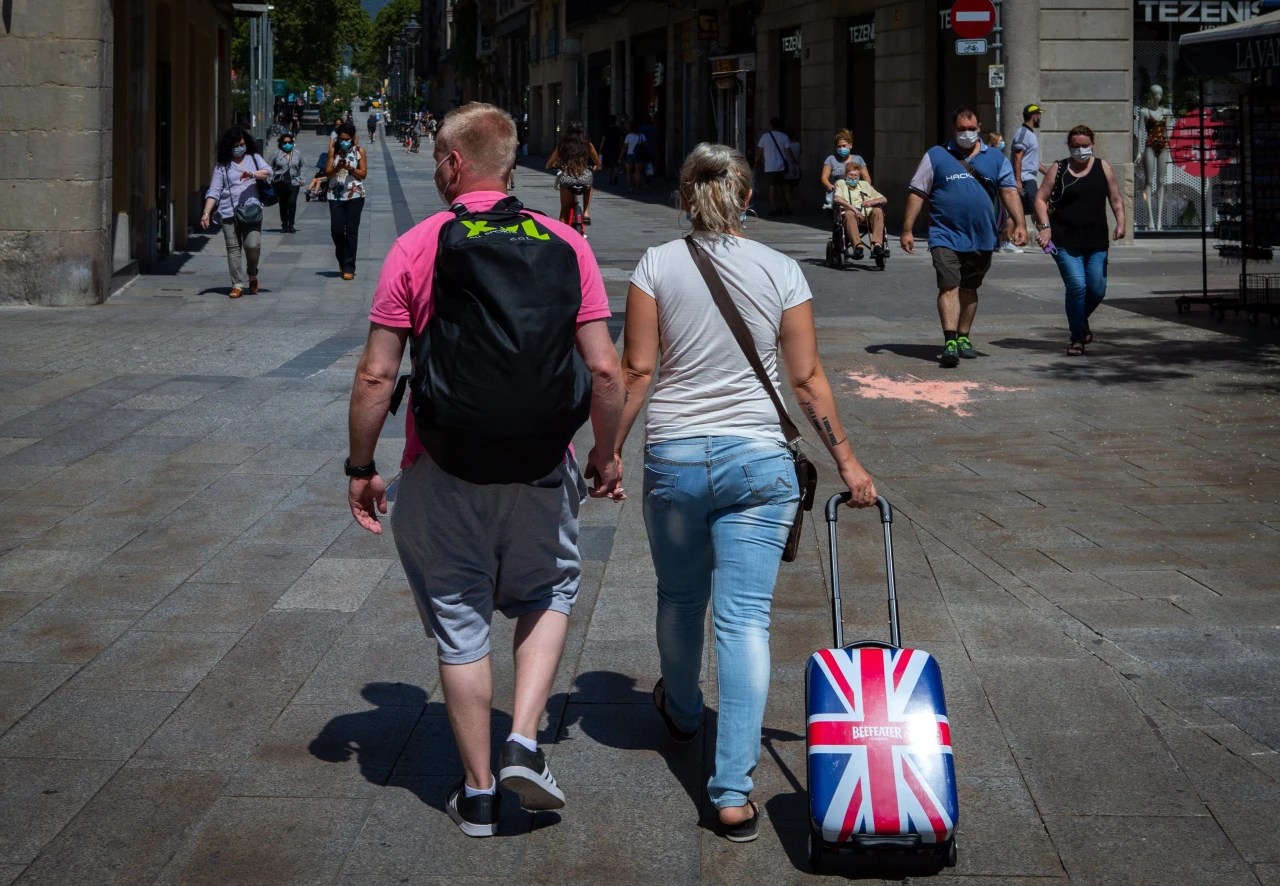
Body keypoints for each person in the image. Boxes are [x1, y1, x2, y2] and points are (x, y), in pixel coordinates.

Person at [345, 102, 624, 838]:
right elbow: (604, 370)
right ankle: (524, 738)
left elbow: (377, 375)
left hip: (442, 464)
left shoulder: (416, 245)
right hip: (542, 464)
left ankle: (476, 793)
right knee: (551, 588)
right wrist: (606, 453)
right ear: (507, 164)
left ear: (452, 163)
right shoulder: (566, 242)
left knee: (459, 617)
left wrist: (361, 465)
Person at [613, 142, 878, 844]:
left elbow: (636, 370)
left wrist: (606, 451)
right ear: (748, 198)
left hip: (675, 457)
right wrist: (847, 462)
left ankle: (683, 712)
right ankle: (731, 794)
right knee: (745, 621)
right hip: (760, 462)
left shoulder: (655, 264)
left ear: (684, 198)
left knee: (679, 598)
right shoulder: (782, 269)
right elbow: (807, 379)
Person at [900, 105, 1026, 368]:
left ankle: (963, 337)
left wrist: (1020, 223)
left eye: (971, 128)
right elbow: (917, 192)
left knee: (970, 288)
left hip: (982, 235)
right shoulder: (936, 155)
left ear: (979, 128)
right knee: (949, 284)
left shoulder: (995, 158)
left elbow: (1009, 192)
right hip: (944, 234)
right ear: (953, 129)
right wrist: (907, 229)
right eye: (961, 129)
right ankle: (950, 342)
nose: (966, 133)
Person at [1033, 124, 1126, 356]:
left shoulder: (1103, 167)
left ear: (1092, 144)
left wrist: (1121, 222)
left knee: (1096, 289)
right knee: (1076, 286)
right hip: (1063, 240)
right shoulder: (1059, 168)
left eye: (1085, 146)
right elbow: (1040, 199)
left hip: (1096, 240)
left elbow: (1115, 198)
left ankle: (1080, 319)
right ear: (1069, 146)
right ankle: (1077, 338)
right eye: (1076, 146)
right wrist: (1045, 228)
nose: (1081, 150)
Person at [200, 126, 270, 299]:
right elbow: (214, 191)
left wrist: (252, 174)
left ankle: (252, 274)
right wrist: (206, 213)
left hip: (251, 210)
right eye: (236, 145)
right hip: (228, 211)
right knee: (233, 249)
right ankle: (237, 284)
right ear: (228, 146)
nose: (239, 148)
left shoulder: (254, 158)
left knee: (252, 245)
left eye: (242, 144)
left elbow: (268, 173)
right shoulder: (222, 165)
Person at [326, 121, 367, 281]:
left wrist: (351, 169)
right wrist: (337, 167)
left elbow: (363, 174)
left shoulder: (359, 152)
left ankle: (349, 266)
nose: (344, 142)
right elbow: (328, 173)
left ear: (352, 138)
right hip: (335, 195)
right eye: (341, 139)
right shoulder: (333, 151)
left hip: (355, 195)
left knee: (351, 231)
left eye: (347, 139)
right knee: (336, 230)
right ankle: (342, 258)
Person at [546, 120, 602, 227]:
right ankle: (586, 212)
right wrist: (595, 168)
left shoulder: (562, 145)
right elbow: (598, 163)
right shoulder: (588, 145)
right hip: (584, 177)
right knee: (589, 185)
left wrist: (556, 165)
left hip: (568, 177)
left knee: (564, 212)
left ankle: (562, 233)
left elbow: (549, 163)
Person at [832, 159, 887, 260]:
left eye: (856, 175)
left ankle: (877, 245)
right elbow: (837, 198)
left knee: (878, 211)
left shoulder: (865, 185)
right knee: (849, 214)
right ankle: (858, 246)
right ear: (846, 175)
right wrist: (854, 210)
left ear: (859, 176)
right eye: (850, 175)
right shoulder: (841, 183)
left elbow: (884, 199)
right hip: (851, 215)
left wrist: (871, 202)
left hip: (867, 215)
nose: (853, 178)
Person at [1011, 103, 1048, 240]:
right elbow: (1017, 157)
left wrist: (1049, 174)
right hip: (1025, 179)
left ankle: (1005, 240)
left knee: (1016, 211)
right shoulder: (1023, 133)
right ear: (1034, 116)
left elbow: (1034, 161)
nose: (1040, 118)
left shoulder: (1030, 134)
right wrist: (1018, 180)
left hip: (1028, 178)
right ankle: (1048, 242)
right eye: (1039, 115)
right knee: (1037, 210)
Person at [1136, 85, 1170, 230]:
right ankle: (1150, 219)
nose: (1157, 96)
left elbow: (1167, 132)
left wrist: (1170, 149)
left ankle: (1159, 220)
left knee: (1161, 181)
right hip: (1149, 146)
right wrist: (1138, 152)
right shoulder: (1144, 111)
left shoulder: (1167, 112)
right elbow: (1140, 131)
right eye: (1155, 93)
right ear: (1150, 94)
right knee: (1149, 181)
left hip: (1163, 147)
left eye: (1160, 93)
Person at [987, 131, 1022, 253]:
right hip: (998, 190)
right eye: (1000, 141)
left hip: (1000, 190)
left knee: (1002, 215)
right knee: (1002, 215)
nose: (1003, 143)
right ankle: (1003, 241)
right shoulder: (993, 156)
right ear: (994, 142)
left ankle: (1001, 241)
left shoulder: (996, 155)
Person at [755, 117, 796, 215]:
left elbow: (759, 151)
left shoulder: (765, 137)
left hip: (769, 167)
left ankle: (772, 208)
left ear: (771, 126)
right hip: (781, 166)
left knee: (771, 187)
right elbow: (788, 151)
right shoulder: (784, 136)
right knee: (779, 187)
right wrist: (793, 163)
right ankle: (779, 206)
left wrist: (756, 161)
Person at [820, 130, 868, 207]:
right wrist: (829, 186)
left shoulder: (858, 159)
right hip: (838, 195)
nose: (841, 148)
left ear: (850, 145)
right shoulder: (831, 159)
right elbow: (824, 177)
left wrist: (864, 187)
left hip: (856, 195)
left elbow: (866, 177)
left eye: (844, 146)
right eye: (839, 146)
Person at [269, 132, 305, 233]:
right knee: (283, 203)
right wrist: (270, 179)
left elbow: (302, 166)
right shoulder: (276, 154)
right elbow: (269, 167)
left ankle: (291, 224)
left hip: (294, 181)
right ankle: (284, 224)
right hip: (281, 183)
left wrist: (302, 178)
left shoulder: (297, 153)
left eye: (289, 142)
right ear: (281, 143)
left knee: (292, 202)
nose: (287, 144)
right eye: (285, 142)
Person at [620, 120, 647, 193]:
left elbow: (625, 147)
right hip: (639, 155)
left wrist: (620, 156)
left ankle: (630, 188)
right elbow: (645, 145)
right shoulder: (642, 135)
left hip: (630, 155)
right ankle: (637, 189)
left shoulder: (629, 136)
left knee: (629, 173)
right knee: (638, 172)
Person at [598, 114, 626, 185]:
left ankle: (610, 179)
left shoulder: (606, 129)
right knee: (616, 164)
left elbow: (603, 140)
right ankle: (616, 175)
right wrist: (621, 147)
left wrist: (600, 150)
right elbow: (621, 139)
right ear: (614, 121)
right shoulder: (618, 129)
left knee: (608, 165)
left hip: (607, 149)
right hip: (616, 148)